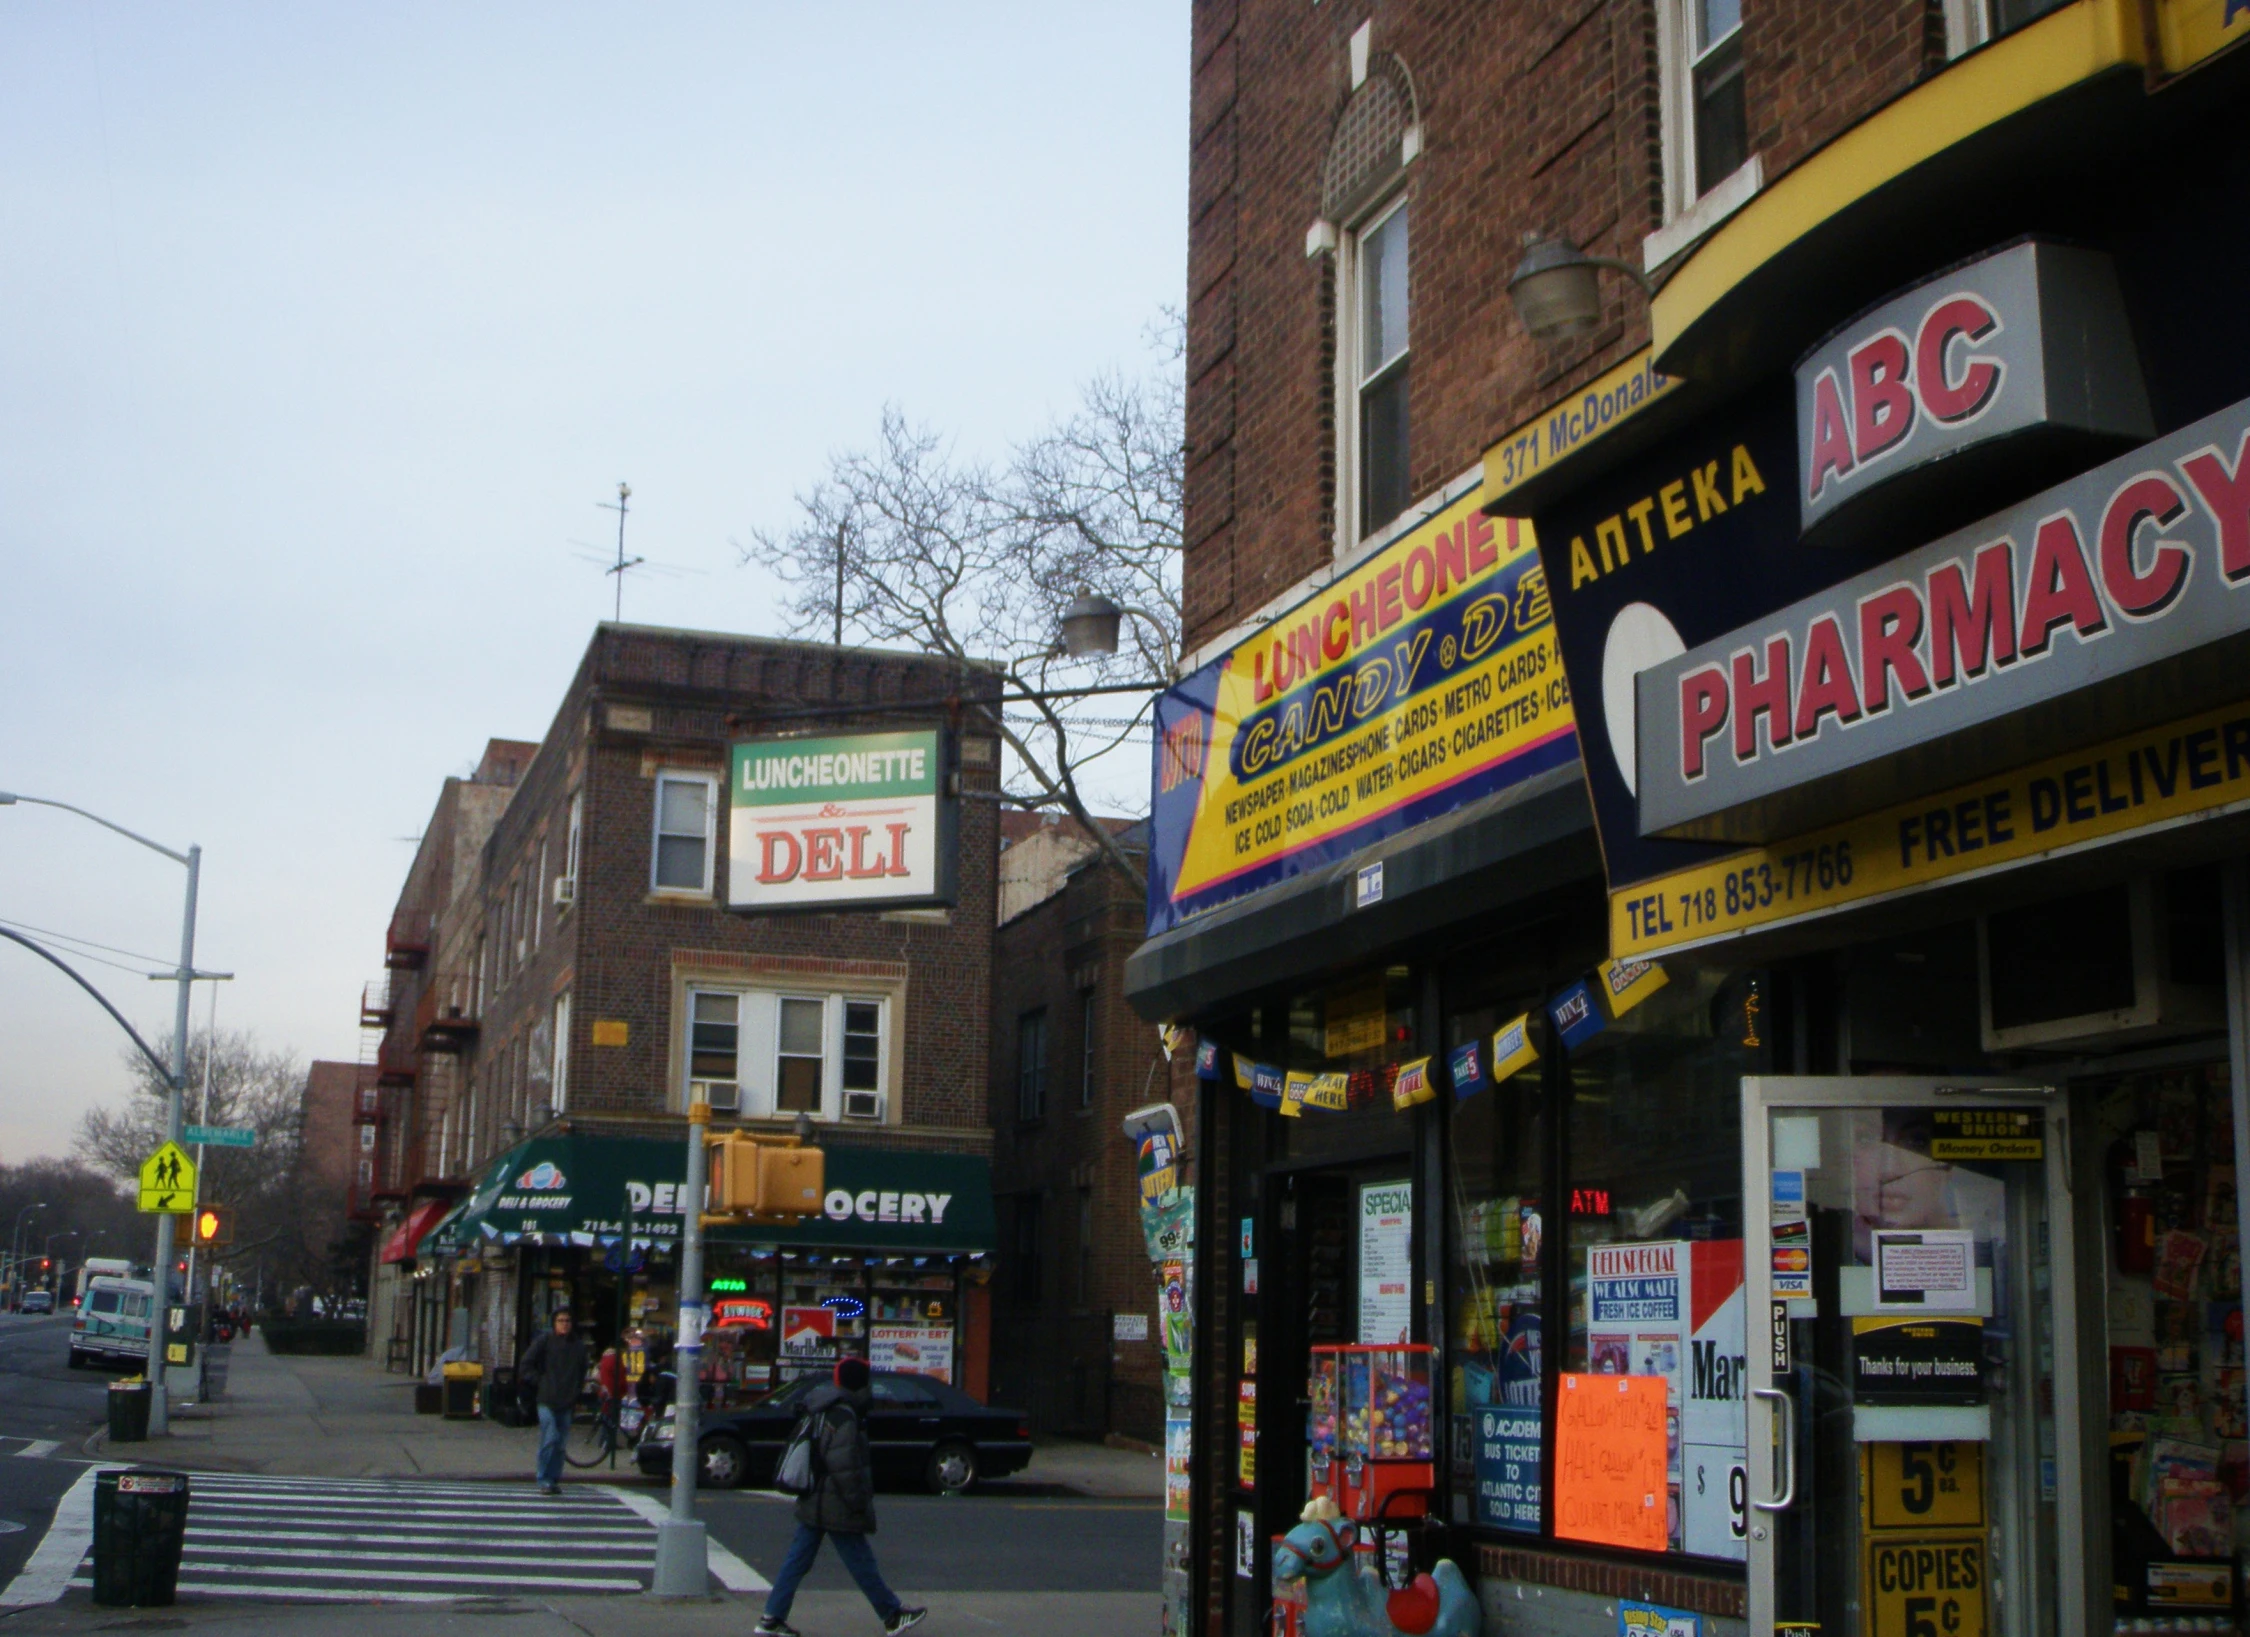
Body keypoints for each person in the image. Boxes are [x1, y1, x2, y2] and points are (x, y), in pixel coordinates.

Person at [756, 1357, 925, 1636]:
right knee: (860, 1561)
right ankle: (891, 1615)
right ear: (861, 1384)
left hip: (814, 1499)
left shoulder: (824, 1406)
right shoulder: (844, 1415)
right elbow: (844, 1466)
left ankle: (771, 1618)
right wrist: (858, 1503)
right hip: (835, 1502)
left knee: (797, 1562)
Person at [516, 1307, 589, 1496]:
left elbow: (582, 1371)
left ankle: (554, 1478)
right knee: (550, 1437)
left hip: (567, 1400)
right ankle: (543, 1479)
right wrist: (540, 1382)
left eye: (567, 1321)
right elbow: (526, 1365)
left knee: (561, 1443)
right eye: (561, 1320)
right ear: (554, 1323)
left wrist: (576, 1392)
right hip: (546, 1398)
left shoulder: (578, 1346)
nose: (564, 1324)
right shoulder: (544, 1341)